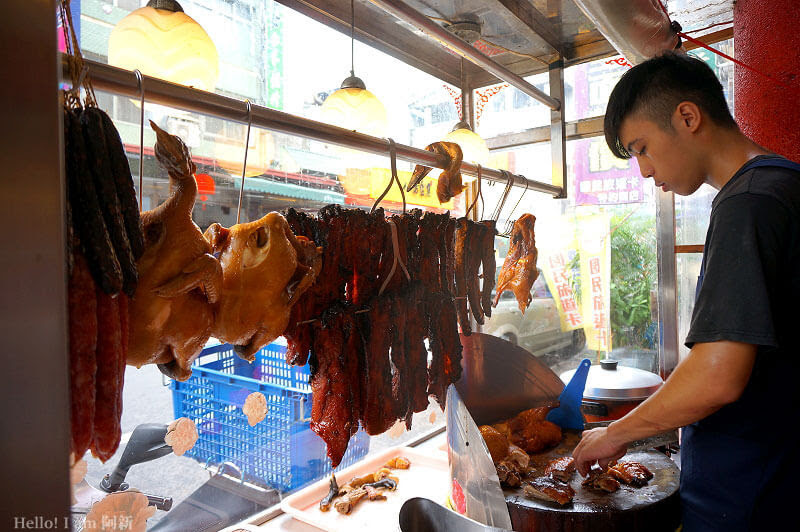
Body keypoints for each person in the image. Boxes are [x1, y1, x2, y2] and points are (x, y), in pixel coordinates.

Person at [571, 51, 800, 531]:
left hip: (749, 496)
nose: (645, 171)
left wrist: (616, 434)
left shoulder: (749, 204)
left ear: (688, 117)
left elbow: (719, 374)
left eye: (641, 148)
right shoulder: (783, 184)